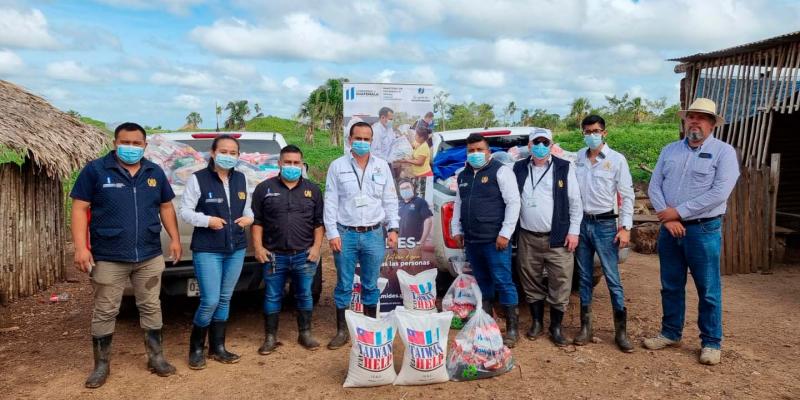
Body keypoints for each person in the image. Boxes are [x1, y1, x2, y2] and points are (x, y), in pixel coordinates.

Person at [70, 122, 181, 388]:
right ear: (114, 143)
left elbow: (166, 207)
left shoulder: (154, 171)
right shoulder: (96, 170)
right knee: (106, 310)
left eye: (136, 144)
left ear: (144, 145)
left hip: (149, 254)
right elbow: (79, 208)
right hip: (109, 255)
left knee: (151, 306)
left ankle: (156, 358)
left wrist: (175, 239)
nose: (130, 148)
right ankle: (101, 365)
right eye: (125, 142)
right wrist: (81, 247)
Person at [645, 98, 739, 365]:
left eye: (701, 117)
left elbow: (719, 192)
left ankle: (711, 342)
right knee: (671, 285)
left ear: (711, 124)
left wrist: (680, 212)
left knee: (708, 288)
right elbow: (655, 186)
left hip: (703, 229)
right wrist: (668, 218)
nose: (695, 121)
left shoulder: (724, 153)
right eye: (691, 117)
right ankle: (670, 333)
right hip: (670, 229)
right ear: (685, 121)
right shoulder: (670, 150)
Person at [179, 134, 253, 369]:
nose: (228, 156)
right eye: (224, 151)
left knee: (224, 299)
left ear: (238, 156)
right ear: (213, 153)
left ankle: (218, 347)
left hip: (236, 247)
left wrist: (249, 218)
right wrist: (207, 220)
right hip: (208, 248)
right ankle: (196, 348)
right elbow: (185, 211)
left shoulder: (241, 179)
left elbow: (248, 208)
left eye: (233, 153)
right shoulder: (198, 179)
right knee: (210, 300)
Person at [324, 121, 400, 349]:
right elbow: (330, 200)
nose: (362, 143)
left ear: (372, 141)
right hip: (345, 234)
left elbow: (390, 199)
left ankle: (369, 327)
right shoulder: (337, 166)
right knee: (344, 284)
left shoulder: (382, 166)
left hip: (373, 234)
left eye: (367, 139)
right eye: (358, 138)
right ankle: (341, 331)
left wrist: (393, 228)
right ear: (350, 140)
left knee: (370, 284)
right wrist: (332, 232)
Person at [512, 128, 582, 347]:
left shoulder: (564, 167)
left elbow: (575, 202)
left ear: (551, 145)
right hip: (527, 236)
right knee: (530, 279)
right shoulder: (518, 167)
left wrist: (574, 231)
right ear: (529, 145)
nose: (540, 146)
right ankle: (536, 323)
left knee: (561, 281)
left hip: (558, 238)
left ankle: (556, 327)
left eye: (545, 142)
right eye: (536, 142)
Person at [251, 145, 324, 354]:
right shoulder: (264, 189)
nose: (292, 166)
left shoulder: (313, 190)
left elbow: (318, 224)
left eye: (296, 163)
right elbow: (257, 222)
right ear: (280, 164)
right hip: (274, 255)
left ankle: (305, 333)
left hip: (304, 255)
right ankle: (270, 337)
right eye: (288, 162)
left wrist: (316, 248)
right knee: (273, 295)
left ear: (302, 165)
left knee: (304, 294)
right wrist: (258, 247)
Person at [452, 133, 521, 347]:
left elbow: (513, 203)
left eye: (479, 150)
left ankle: (512, 330)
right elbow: (458, 205)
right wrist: (456, 229)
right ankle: (488, 325)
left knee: (503, 281)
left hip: (495, 240)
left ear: (488, 151)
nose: (475, 154)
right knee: (483, 282)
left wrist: (505, 234)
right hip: (473, 241)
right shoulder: (463, 175)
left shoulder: (501, 171)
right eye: (471, 151)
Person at [573, 115, 635, 352]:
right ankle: (585, 328)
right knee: (585, 277)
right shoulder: (578, 157)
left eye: (596, 131)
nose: (592, 135)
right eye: (588, 131)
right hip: (582, 223)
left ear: (604, 133)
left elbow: (627, 196)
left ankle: (621, 333)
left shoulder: (616, 160)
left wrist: (625, 228)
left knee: (612, 278)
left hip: (606, 225)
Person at [397, 180, 433, 248]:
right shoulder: (399, 204)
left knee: (414, 258)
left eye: (407, 187)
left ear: (412, 188)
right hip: (401, 241)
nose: (405, 190)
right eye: (402, 189)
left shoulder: (420, 202)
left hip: (415, 241)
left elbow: (428, 221)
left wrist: (422, 241)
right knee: (401, 258)